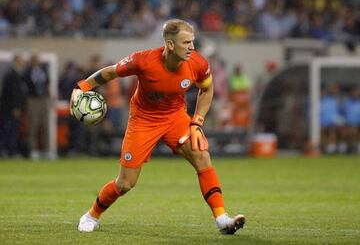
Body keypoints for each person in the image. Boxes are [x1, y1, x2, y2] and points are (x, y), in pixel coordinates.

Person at [71, 19, 245, 234]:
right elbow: (110, 72)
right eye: (186, 42)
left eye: (193, 42)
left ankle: (222, 218)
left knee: (202, 157)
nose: (192, 47)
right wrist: (81, 87)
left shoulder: (198, 63)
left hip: (175, 117)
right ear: (170, 45)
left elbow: (207, 90)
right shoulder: (143, 60)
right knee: (125, 183)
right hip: (143, 120)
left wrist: (197, 120)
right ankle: (91, 215)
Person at [0, 53, 27, 156]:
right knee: (8, 130)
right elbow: (11, 93)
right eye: (21, 60)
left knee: (13, 130)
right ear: (16, 61)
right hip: (9, 109)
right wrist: (15, 107)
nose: (23, 62)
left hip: (14, 108)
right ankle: (6, 150)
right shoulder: (11, 75)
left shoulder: (18, 75)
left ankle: (11, 150)